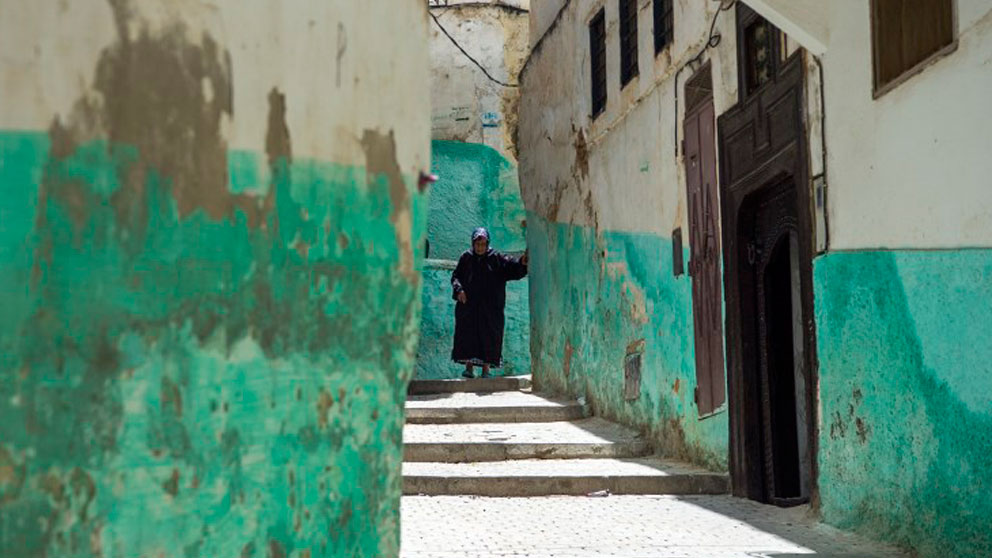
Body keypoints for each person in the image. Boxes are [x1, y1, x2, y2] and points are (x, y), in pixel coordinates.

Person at [451, 227, 528, 378]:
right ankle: (469, 368)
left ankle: (486, 369)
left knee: (489, 335)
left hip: (491, 308)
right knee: (468, 334)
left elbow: (512, 267)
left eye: (483, 244)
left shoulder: (496, 258)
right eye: (477, 244)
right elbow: (456, 277)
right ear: (473, 244)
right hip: (469, 306)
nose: (480, 247)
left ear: (487, 244)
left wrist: (522, 262)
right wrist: (459, 290)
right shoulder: (466, 258)